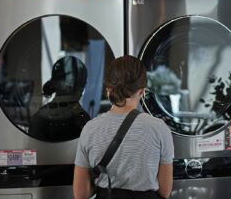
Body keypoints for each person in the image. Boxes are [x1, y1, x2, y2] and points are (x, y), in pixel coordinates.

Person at [73, 55, 174, 199]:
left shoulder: (90, 129)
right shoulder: (159, 129)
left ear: (109, 90)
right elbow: (165, 191)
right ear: (142, 91)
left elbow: (80, 194)